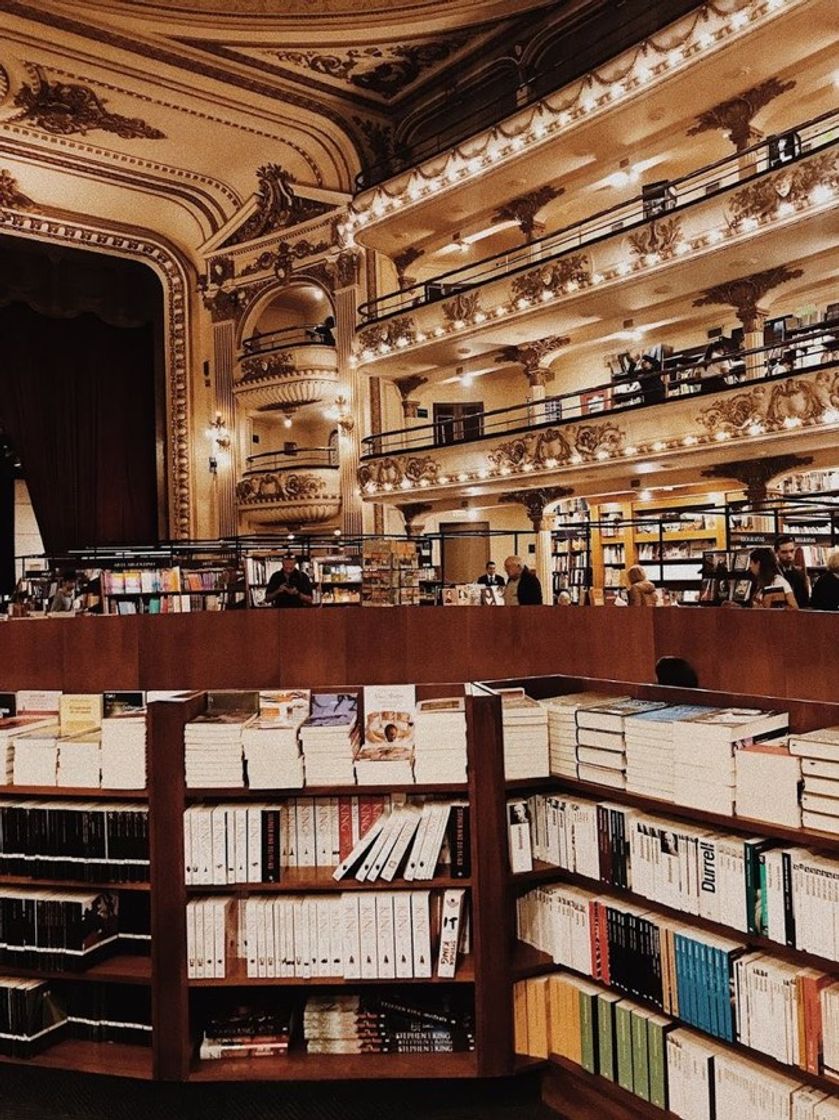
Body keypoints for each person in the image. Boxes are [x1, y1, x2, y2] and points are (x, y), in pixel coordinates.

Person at [774, 535, 810, 608]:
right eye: (784, 552)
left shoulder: (800, 574)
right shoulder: (772, 573)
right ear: (776, 553)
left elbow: (804, 602)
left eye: (791, 551)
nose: (789, 555)